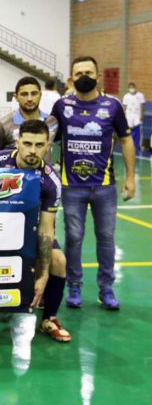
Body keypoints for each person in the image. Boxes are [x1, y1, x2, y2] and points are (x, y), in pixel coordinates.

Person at [51, 56, 135, 310]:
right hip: (71, 185)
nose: (84, 77)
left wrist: (131, 177)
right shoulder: (61, 105)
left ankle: (106, 289)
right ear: (71, 79)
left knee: (106, 237)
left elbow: (126, 140)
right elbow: (49, 140)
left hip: (105, 186)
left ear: (98, 76)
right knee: (74, 237)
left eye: (88, 72)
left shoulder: (112, 106)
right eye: (78, 73)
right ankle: (74, 286)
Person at [0, 120, 71, 343]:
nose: (33, 151)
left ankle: (49, 318)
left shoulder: (51, 180)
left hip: (32, 231)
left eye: (39, 145)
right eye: (27, 143)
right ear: (17, 142)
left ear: (48, 146)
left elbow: (46, 229)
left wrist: (43, 275)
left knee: (59, 261)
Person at [0, 77, 58, 164]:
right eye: (24, 94)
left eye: (34, 93)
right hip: (15, 177)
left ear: (40, 95)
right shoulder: (1, 126)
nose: (29, 99)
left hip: (43, 176)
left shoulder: (52, 122)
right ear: (16, 97)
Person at [122, 82, 146, 154]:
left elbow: (142, 106)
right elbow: (124, 107)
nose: (131, 89)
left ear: (135, 87)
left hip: (137, 117)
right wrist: (123, 117)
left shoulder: (140, 95)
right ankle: (128, 147)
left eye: (133, 87)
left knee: (138, 133)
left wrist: (142, 115)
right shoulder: (126, 96)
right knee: (128, 133)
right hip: (128, 116)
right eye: (130, 87)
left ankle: (138, 146)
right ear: (128, 88)